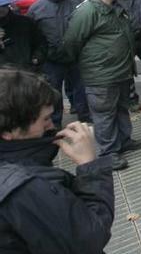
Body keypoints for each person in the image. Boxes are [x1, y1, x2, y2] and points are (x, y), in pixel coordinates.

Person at [0, 69, 114, 253]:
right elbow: (89, 237)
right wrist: (90, 166)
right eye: (44, 119)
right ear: (8, 132)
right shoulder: (23, 188)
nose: (52, 126)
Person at [62, 0, 141, 170]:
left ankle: (123, 141)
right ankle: (108, 153)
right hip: (101, 74)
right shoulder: (87, 11)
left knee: (120, 108)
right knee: (103, 114)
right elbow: (72, 42)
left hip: (120, 71)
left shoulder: (113, 6)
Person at [28, 0, 89, 125]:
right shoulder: (37, 8)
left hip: (74, 53)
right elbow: (31, 33)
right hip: (51, 58)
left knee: (80, 87)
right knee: (53, 91)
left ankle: (84, 114)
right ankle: (55, 121)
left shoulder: (74, 3)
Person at [0, 2, 46, 70]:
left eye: (3, 5)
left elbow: (41, 42)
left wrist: (36, 58)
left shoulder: (25, 22)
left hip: (24, 70)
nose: (1, 9)